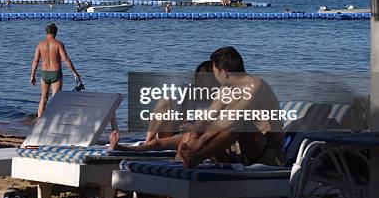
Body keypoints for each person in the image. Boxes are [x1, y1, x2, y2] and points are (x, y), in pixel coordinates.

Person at [110, 47, 284, 168]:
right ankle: (128, 149)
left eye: (214, 72)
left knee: (239, 123)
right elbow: (208, 118)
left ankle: (196, 157)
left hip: (268, 155)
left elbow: (232, 119)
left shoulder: (255, 85)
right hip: (233, 151)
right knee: (189, 134)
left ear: (223, 72)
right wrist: (193, 133)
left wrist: (199, 142)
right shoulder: (225, 90)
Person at [145, 60, 218, 143]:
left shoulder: (219, 97)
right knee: (165, 101)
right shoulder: (188, 91)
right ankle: (148, 141)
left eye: (206, 76)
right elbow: (181, 118)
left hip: (198, 136)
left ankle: (155, 144)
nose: (201, 79)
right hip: (180, 132)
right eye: (200, 75)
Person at [30, 24, 81, 117]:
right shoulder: (58, 44)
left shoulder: (40, 45)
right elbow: (65, 58)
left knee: (43, 99)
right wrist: (75, 72)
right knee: (55, 100)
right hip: (56, 73)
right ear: (56, 33)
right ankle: (53, 120)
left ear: (46, 32)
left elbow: (35, 61)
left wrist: (32, 75)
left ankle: (40, 120)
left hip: (44, 73)